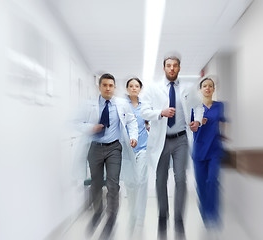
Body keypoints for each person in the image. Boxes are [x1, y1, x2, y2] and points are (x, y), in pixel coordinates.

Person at [140, 55, 204, 239]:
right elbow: (144, 110)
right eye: (168, 65)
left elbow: (198, 107)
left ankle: (179, 219)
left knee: (181, 178)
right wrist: (161, 112)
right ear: (164, 68)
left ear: (179, 68)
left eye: (175, 66)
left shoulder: (188, 88)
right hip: (161, 139)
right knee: (160, 179)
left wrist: (197, 121)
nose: (172, 69)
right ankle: (162, 215)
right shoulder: (153, 88)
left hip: (181, 139)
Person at [73, 73, 138, 238]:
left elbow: (131, 121)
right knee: (95, 184)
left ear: (114, 87)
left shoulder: (121, 104)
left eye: (111, 85)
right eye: (105, 85)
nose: (108, 88)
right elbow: (76, 122)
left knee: (113, 185)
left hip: (114, 148)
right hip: (94, 148)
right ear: (100, 87)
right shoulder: (89, 105)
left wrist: (133, 137)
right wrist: (90, 128)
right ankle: (98, 210)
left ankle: (111, 218)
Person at [191, 77, 226, 230]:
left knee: (212, 181)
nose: (207, 88)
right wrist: (197, 125)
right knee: (201, 185)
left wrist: (224, 135)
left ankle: (214, 213)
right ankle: (205, 213)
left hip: (215, 150)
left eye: (210, 86)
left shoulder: (220, 106)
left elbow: (222, 123)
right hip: (199, 151)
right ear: (200, 89)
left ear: (213, 89)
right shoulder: (194, 107)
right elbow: (190, 127)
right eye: (204, 86)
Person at [122, 77, 149, 235]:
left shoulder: (145, 106)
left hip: (143, 148)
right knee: (130, 183)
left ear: (140, 89)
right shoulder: (121, 106)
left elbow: (150, 124)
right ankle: (132, 214)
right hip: (127, 150)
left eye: (136, 86)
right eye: (131, 86)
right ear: (127, 88)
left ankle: (140, 216)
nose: (134, 88)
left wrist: (149, 125)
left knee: (141, 181)